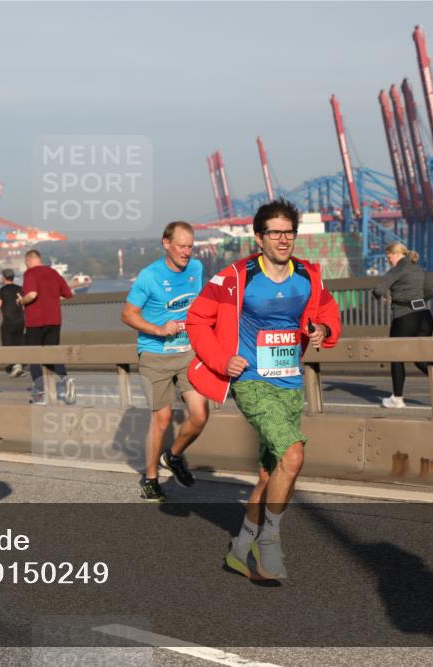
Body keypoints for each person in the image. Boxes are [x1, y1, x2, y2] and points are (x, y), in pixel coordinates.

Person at [187, 199, 341, 580]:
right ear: (259, 238)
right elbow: (196, 319)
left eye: (289, 231)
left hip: (290, 380)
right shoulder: (236, 277)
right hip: (252, 381)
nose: (283, 239)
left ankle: (239, 549)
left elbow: (325, 312)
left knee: (269, 475)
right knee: (293, 455)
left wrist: (322, 330)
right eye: (275, 232)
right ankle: (269, 540)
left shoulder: (308, 274)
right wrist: (223, 360)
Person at [122, 221, 209, 501]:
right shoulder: (149, 277)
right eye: (182, 246)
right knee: (162, 419)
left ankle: (173, 456)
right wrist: (159, 329)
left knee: (199, 415)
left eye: (190, 246)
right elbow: (128, 314)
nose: (187, 251)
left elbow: (200, 306)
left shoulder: (196, 269)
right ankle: (150, 477)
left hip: (188, 353)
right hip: (154, 354)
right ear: (166, 243)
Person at [372, 242, 433, 408]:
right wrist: (417, 300)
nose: (388, 261)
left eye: (388, 258)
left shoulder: (399, 268)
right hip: (425, 317)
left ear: (395, 254)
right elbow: (430, 292)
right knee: (419, 356)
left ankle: (397, 398)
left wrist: (379, 295)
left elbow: (379, 289)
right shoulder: (418, 268)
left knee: (396, 356)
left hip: (405, 317)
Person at [19, 249, 75, 405]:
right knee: (53, 354)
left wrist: (21, 301)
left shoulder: (30, 273)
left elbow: (32, 294)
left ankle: (40, 392)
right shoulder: (53, 272)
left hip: (36, 321)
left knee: (34, 356)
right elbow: (68, 294)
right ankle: (66, 381)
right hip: (54, 320)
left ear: (28, 260)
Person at [0, 268, 25, 377]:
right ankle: (18, 364)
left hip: (8, 321)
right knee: (19, 342)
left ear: (4, 278)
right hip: (20, 320)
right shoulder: (20, 289)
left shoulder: (3, 290)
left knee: (8, 344)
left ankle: (15, 366)